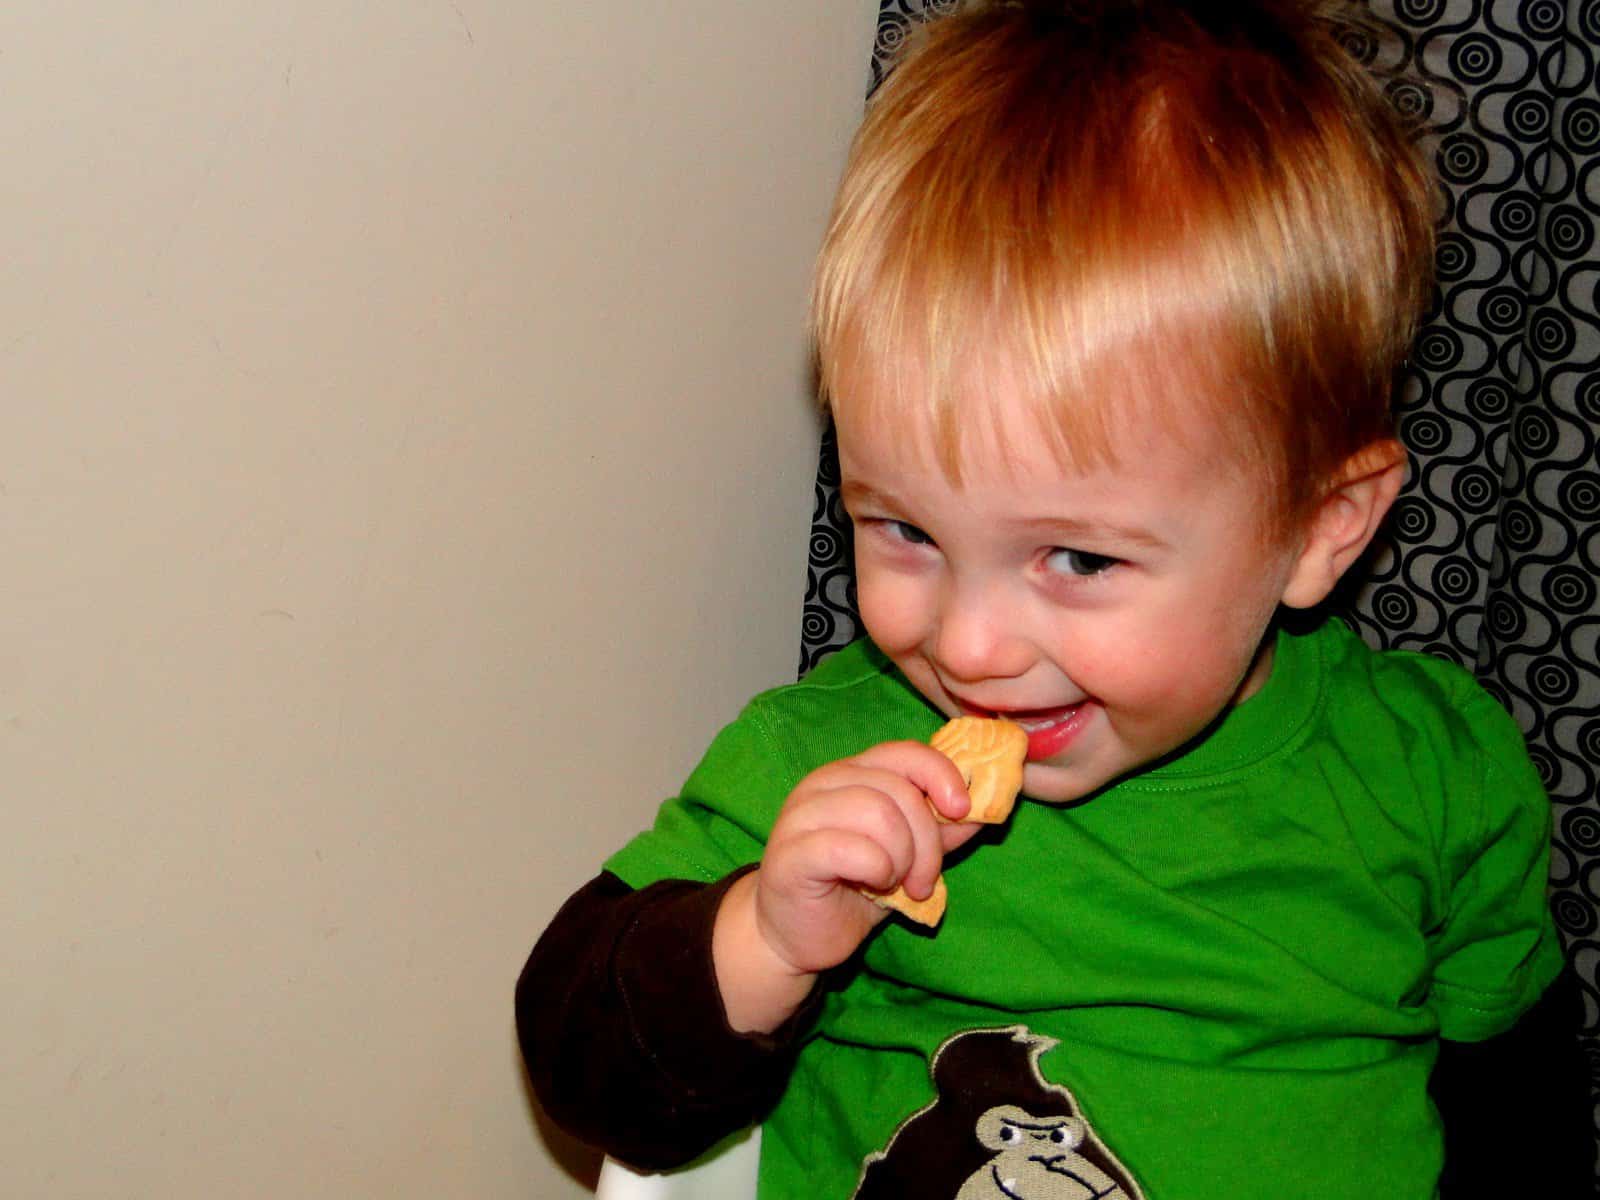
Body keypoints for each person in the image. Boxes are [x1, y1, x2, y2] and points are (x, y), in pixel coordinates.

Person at [516, 1, 1590, 1196]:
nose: (967, 646)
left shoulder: (1431, 777)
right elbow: (584, 1066)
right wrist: (762, 939)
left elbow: (1519, 1112)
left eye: (1077, 561)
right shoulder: (823, 763)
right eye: (906, 529)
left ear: (1319, 529)